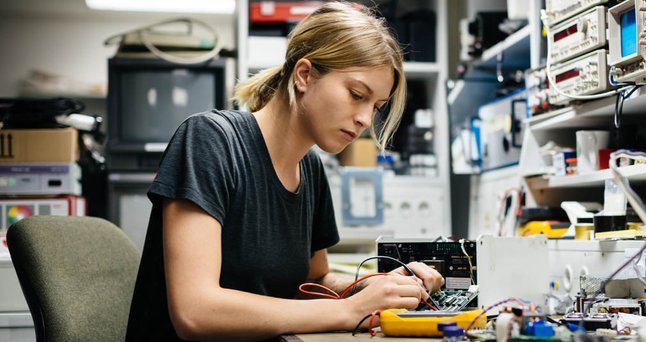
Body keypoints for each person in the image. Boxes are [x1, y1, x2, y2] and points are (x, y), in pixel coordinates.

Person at [125, 2, 444, 340]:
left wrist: (375, 287)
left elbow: (312, 283)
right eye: (356, 95)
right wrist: (348, 309)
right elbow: (195, 312)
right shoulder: (210, 141)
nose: (366, 119)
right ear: (304, 75)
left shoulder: (311, 169)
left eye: (375, 107)